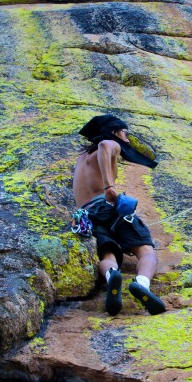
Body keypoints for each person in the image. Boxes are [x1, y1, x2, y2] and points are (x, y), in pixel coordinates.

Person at [73, 114, 165, 316]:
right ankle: (141, 284)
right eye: (125, 133)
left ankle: (111, 274)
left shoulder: (81, 159)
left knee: (107, 253)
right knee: (146, 251)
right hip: (107, 206)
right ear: (114, 132)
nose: (128, 140)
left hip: (86, 214)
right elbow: (106, 145)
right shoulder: (109, 144)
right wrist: (109, 186)